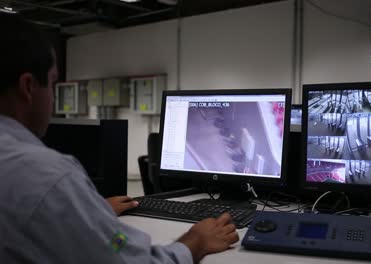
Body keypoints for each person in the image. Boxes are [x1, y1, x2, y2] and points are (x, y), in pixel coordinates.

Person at [0, 13, 238, 263]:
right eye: (51, 84)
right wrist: (197, 241)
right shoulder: (48, 176)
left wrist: (89, 213)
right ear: (27, 87)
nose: (52, 99)